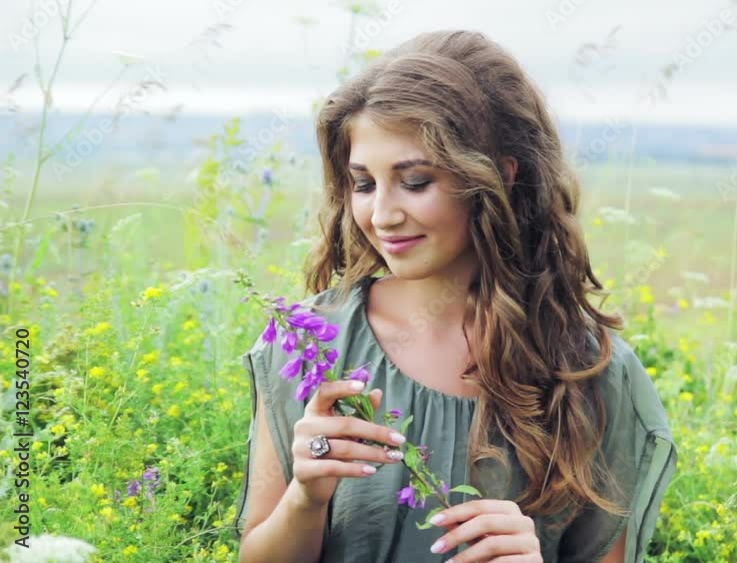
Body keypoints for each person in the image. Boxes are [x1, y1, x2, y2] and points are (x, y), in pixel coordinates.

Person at [233, 29, 678, 563]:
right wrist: (305, 498)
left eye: (415, 181)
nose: (382, 215)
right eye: (364, 184)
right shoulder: (310, 346)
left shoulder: (590, 372)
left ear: (499, 176)